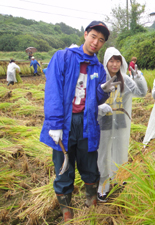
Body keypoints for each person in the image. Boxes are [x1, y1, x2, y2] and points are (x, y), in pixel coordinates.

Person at [40, 21, 120, 222]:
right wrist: (55, 124)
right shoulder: (63, 57)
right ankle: (67, 211)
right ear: (85, 34)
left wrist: (103, 91)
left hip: (87, 123)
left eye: (101, 40)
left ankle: (91, 202)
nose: (96, 42)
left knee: (89, 164)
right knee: (64, 166)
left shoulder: (98, 68)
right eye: (93, 36)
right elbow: (53, 91)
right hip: (65, 122)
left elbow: (96, 99)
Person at [96, 47, 147, 202]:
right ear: (106, 61)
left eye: (117, 60)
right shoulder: (99, 77)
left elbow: (142, 92)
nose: (114, 64)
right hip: (103, 121)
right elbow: (90, 98)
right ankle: (103, 185)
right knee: (103, 153)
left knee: (120, 150)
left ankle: (119, 177)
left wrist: (139, 78)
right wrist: (99, 108)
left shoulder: (125, 79)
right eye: (111, 60)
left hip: (120, 120)